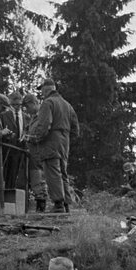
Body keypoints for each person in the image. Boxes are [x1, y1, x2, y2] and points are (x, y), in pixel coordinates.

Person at [29, 79, 80, 213]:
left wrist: (37, 139)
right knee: (63, 173)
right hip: (64, 142)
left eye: (42, 91)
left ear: (46, 90)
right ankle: (66, 204)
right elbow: (75, 130)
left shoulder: (48, 103)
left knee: (52, 173)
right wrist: (65, 138)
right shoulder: (68, 105)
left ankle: (58, 204)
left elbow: (44, 124)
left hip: (50, 142)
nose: (42, 93)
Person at [20, 93, 47, 212]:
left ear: (34, 103)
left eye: (28, 107)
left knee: (38, 180)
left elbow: (42, 135)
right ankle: (40, 205)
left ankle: (41, 207)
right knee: (36, 180)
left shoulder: (42, 116)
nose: (27, 110)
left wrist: (28, 138)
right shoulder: (33, 118)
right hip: (32, 154)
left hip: (39, 154)